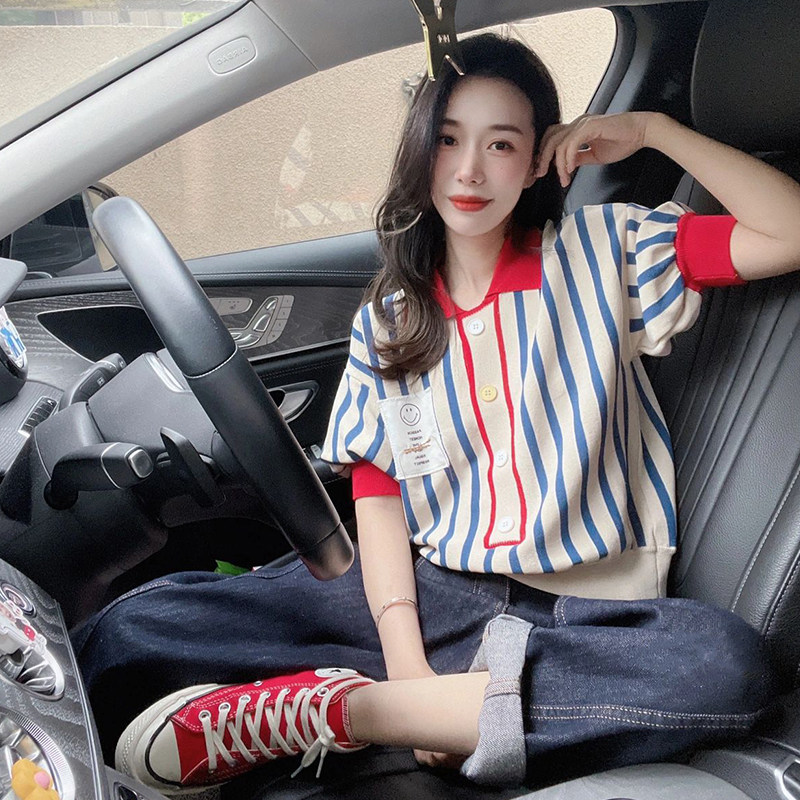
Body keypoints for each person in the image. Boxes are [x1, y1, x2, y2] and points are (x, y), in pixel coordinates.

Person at [73, 32, 800, 796]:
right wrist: (408, 660)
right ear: (421, 152)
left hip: (587, 621)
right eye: (449, 140)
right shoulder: (391, 316)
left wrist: (657, 131)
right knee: (130, 635)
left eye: (501, 144)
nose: (470, 170)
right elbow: (379, 493)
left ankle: (347, 711)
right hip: (435, 593)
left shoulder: (607, 251)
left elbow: (788, 231)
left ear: (536, 162)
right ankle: (441, 704)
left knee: (726, 669)